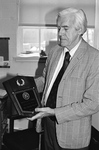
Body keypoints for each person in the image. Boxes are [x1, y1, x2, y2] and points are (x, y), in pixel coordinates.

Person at [28, 7, 99, 150]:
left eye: (65, 28)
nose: (60, 33)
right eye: (59, 28)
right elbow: (46, 79)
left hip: (72, 132)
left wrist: (55, 112)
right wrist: (22, 86)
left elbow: (93, 103)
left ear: (80, 30)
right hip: (47, 124)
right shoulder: (55, 51)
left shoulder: (94, 58)